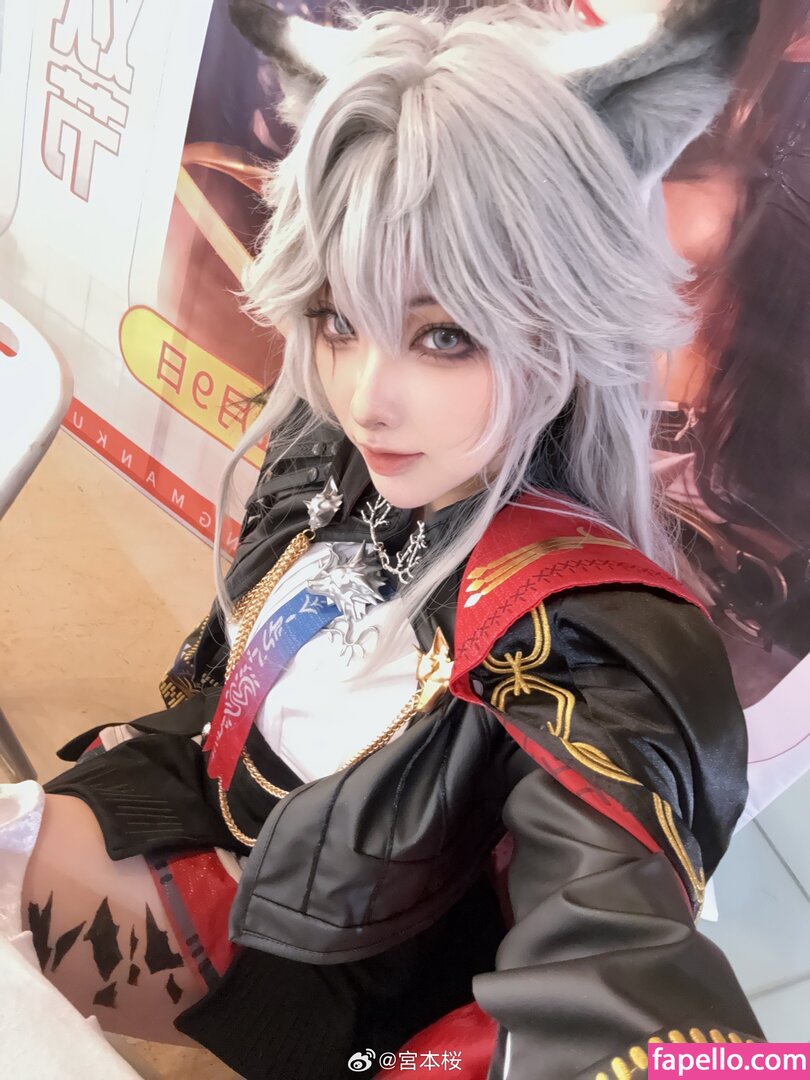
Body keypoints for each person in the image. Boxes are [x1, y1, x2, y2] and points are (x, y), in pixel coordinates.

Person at [1, 1, 767, 1077]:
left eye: (444, 336)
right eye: (339, 319)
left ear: (563, 319)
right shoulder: (328, 447)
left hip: (327, 973)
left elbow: (621, 984)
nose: (368, 395)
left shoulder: (596, 646)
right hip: (189, 798)